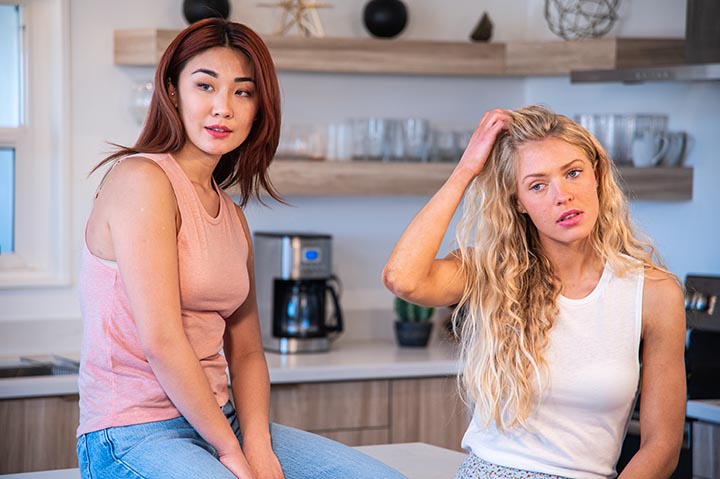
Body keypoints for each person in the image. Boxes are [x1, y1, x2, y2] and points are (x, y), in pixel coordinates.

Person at [77, 18, 405, 479]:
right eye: (205, 86)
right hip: (134, 431)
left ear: (258, 108)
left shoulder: (232, 216)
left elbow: (247, 350)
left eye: (242, 92)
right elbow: (162, 341)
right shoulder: (141, 179)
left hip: (219, 420)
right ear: (172, 92)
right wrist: (231, 452)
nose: (223, 108)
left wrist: (258, 445)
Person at [382, 106, 686, 479]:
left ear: (597, 175)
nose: (562, 195)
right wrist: (466, 171)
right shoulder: (491, 272)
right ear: (518, 203)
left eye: (573, 173)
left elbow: (663, 445)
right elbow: (403, 279)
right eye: (537, 185)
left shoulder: (655, 293)